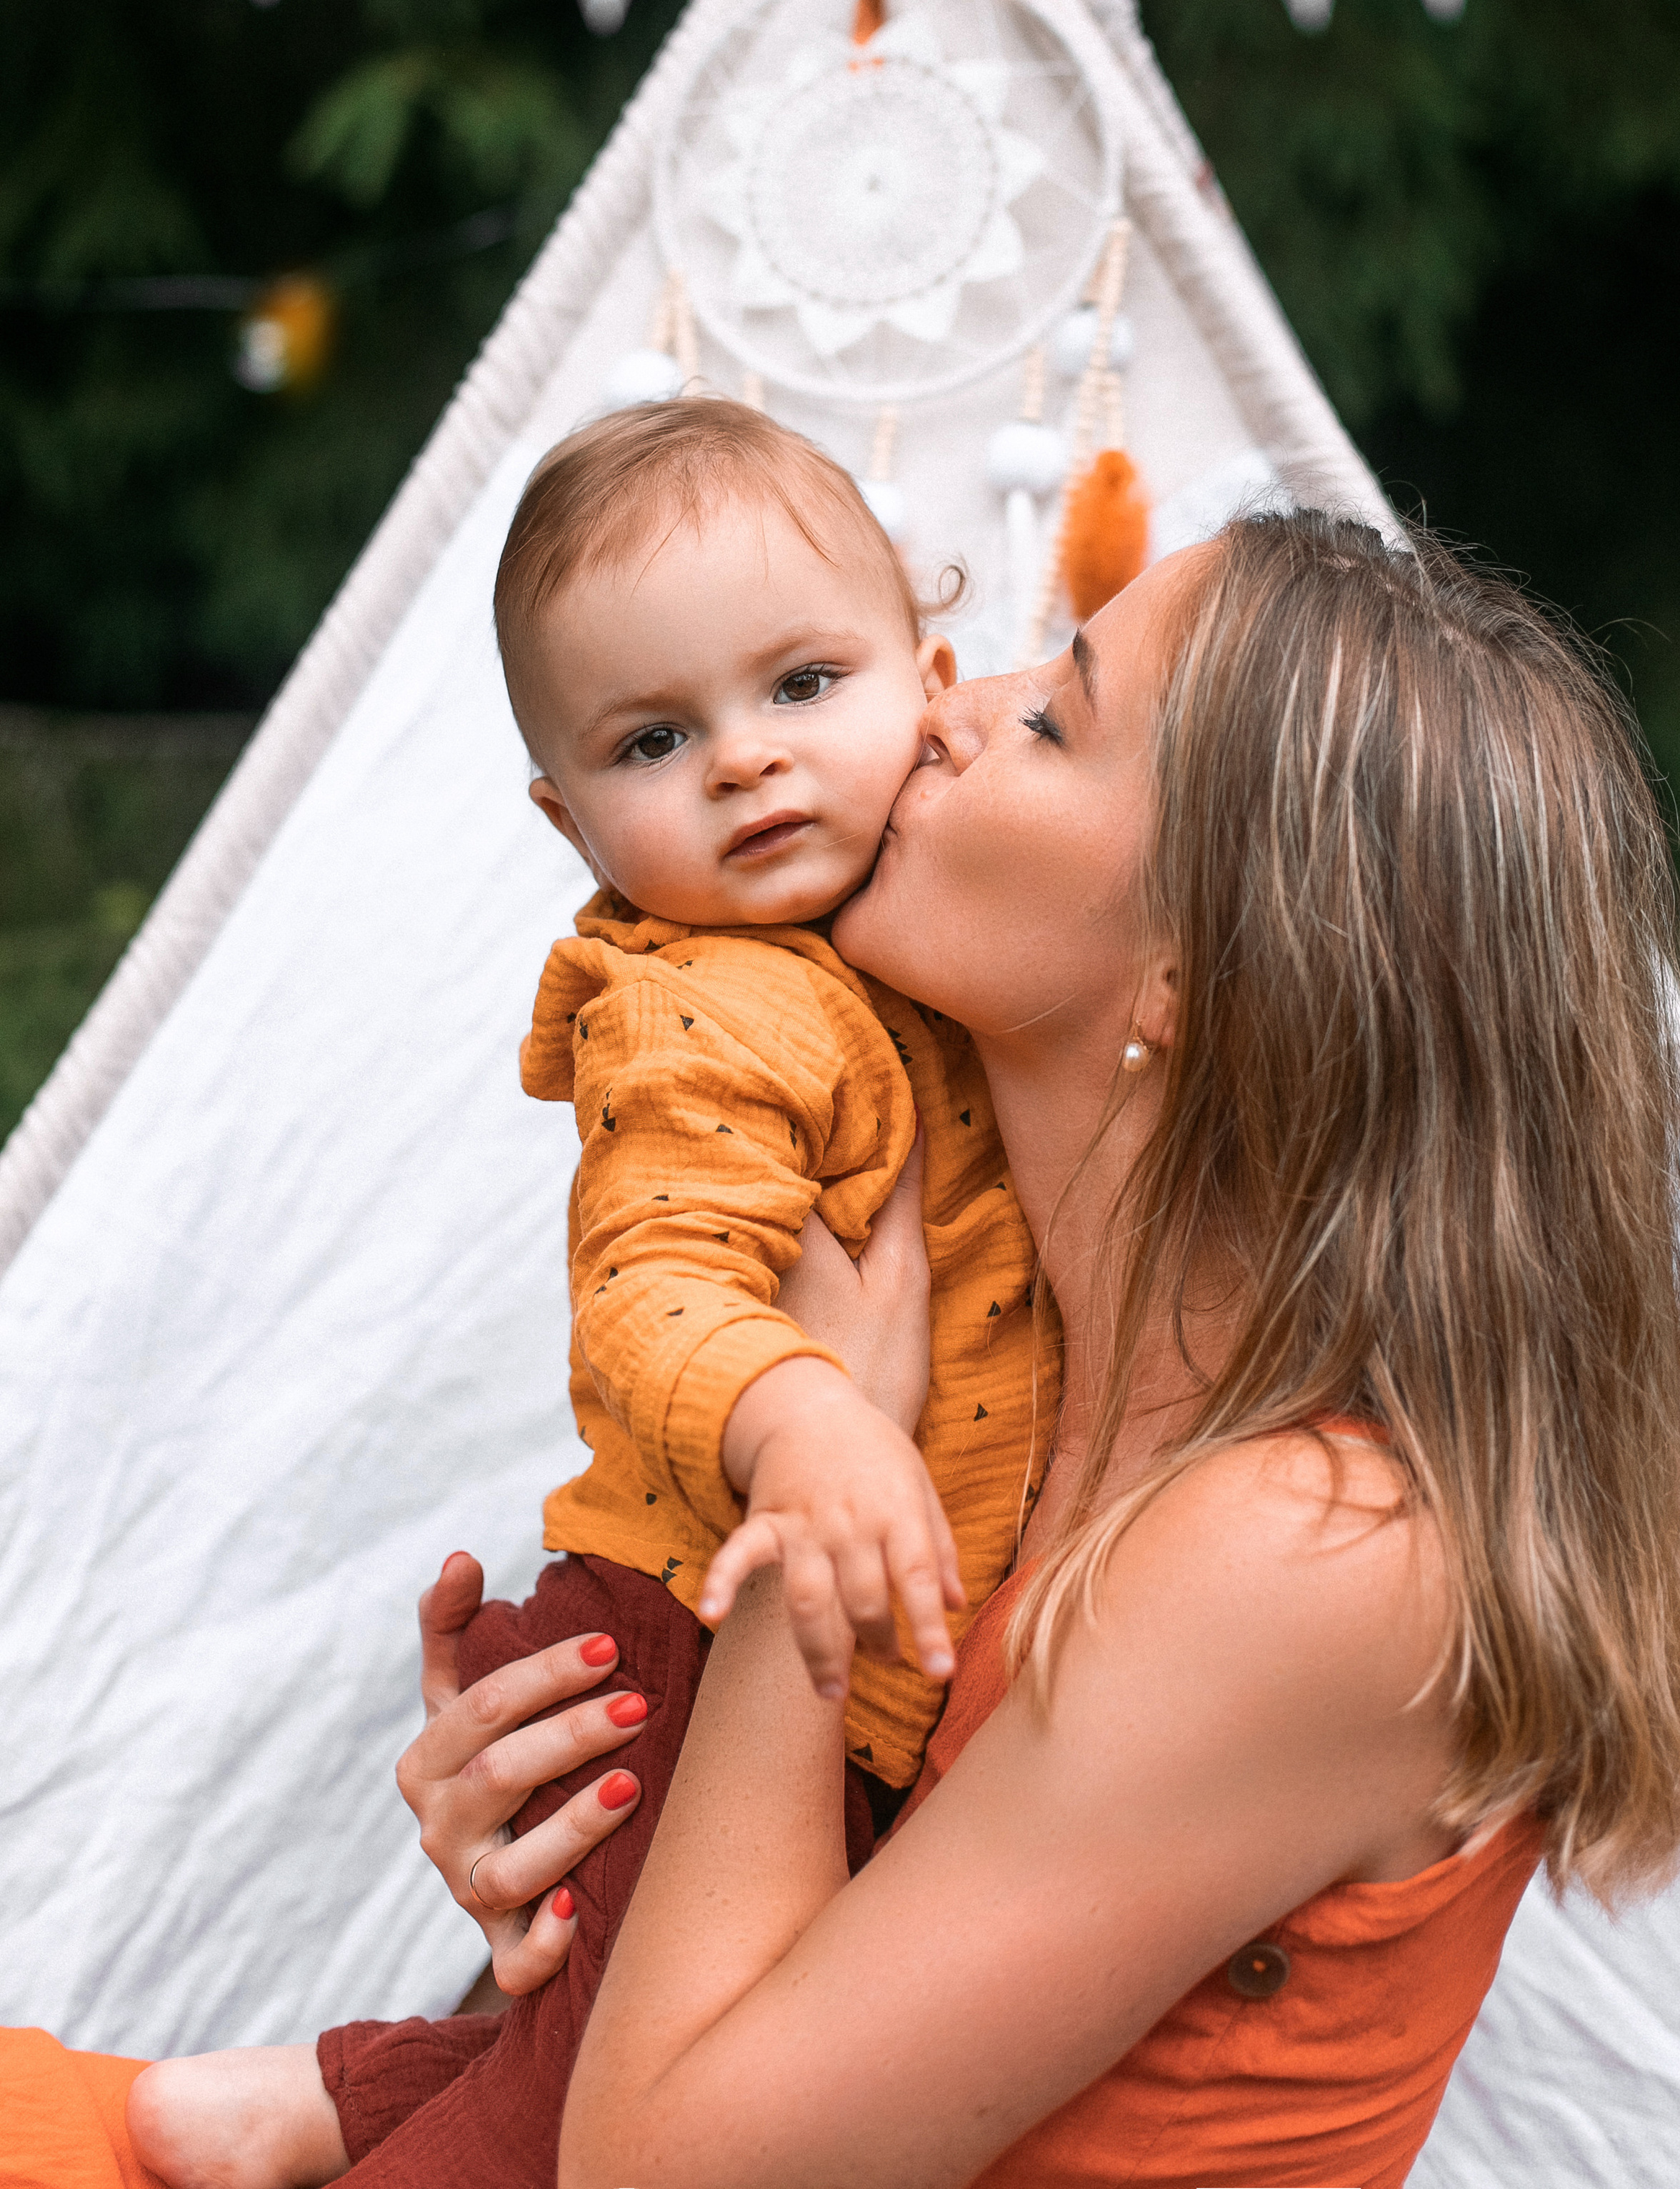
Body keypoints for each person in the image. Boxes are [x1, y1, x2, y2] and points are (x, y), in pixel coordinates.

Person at [425, 511, 1680, 2188]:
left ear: (1197, 971)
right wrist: (578, 1843)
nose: (951, 709)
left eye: (1053, 717)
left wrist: (814, 1522)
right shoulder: (1035, 1395)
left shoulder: (1315, 1551)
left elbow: (664, 2173)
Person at [126, 400, 1053, 2188]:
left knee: (634, 2036)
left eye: (801, 685)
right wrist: (807, 1421)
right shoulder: (703, 1008)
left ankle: (300, 2106)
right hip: (683, 1658)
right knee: (609, 2104)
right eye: (653, 736)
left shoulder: (914, 958)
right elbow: (650, 1295)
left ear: (930, 688)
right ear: (567, 816)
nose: (741, 762)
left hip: (820, 1668)